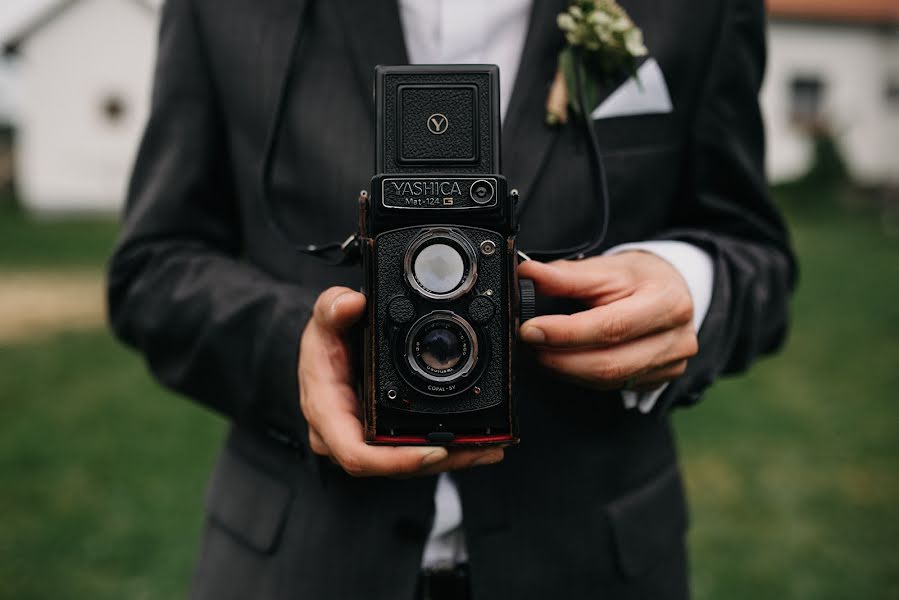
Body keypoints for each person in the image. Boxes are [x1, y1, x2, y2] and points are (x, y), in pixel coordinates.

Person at [107, 0, 796, 598]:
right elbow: (153, 265)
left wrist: (687, 283)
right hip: (297, 564)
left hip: (592, 563)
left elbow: (750, 247)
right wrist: (300, 350)